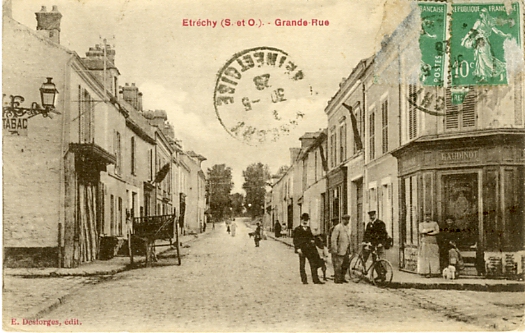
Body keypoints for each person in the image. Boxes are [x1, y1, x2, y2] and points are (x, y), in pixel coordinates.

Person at [460, 8, 513, 83]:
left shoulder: (481, 22)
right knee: (480, 59)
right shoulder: (487, 22)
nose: (480, 15)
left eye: (481, 13)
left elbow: (471, 31)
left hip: (482, 42)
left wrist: (464, 40)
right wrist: (505, 35)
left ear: (484, 14)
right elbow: (497, 32)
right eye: (480, 13)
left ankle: (502, 68)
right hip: (482, 42)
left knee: (486, 60)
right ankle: (483, 77)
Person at [293, 213, 324, 285]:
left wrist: (312, 240)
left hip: (310, 250)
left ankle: (315, 280)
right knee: (302, 265)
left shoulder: (309, 229)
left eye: (306, 220)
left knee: (313, 264)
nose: (305, 221)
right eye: (304, 219)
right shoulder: (297, 229)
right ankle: (304, 280)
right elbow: (295, 240)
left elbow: (311, 238)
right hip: (302, 249)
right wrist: (298, 248)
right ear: (301, 220)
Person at [417, 212, 440, 277]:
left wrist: (428, 232)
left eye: (429, 216)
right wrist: (431, 230)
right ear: (424, 217)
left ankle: (434, 272)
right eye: (426, 216)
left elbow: (437, 231)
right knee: (425, 257)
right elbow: (422, 231)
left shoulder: (435, 223)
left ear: (431, 216)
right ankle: (425, 272)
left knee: (434, 256)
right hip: (425, 242)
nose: (427, 217)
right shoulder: (421, 224)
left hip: (433, 242)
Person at [330, 214, 352, 284]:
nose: (347, 221)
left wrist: (349, 248)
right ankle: (337, 279)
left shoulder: (347, 227)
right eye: (346, 219)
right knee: (338, 265)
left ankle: (343, 278)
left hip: (346, 249)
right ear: (343, 220)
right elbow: (333, 239)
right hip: (339, 249)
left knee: (345, 264)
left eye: (348, 219)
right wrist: (335, 249)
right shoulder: (337, 227)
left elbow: (348, 238)